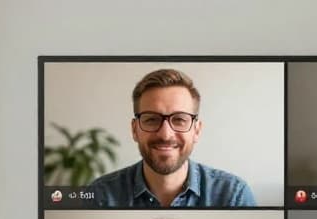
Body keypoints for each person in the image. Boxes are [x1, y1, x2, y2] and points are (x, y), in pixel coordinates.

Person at [86, 68, 256, 208]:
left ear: (196, 130)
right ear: (135, 129)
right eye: (151, 119)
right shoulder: (100, 195)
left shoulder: (234, 196)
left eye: (180, 120)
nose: (165, 134)